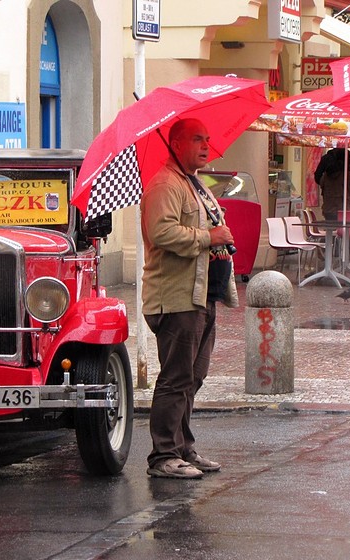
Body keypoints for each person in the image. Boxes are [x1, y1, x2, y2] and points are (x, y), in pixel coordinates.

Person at [140, 118, 238, 479]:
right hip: (176, 297)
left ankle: (184, 448)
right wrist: (207, 237)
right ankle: (163, 456)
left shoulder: (194, 183)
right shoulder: (166, 184)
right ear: (176, 144)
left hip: (201, 296)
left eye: (208, 139)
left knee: (194, 376)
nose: (205, 146)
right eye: (197, 139)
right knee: (176, 377)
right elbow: (161, 231)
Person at [314, 148, 350, 222]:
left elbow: (321, 182)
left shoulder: (327, 173)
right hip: (346, 208)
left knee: (330, 230)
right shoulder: (349, 174)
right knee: (345, 231)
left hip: (329, 208)